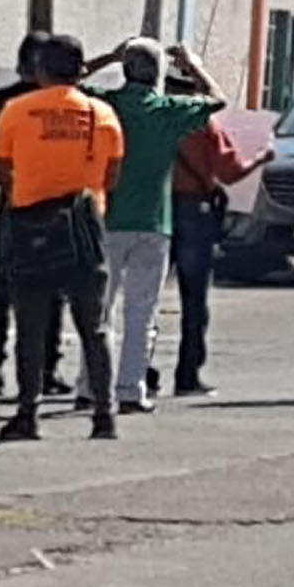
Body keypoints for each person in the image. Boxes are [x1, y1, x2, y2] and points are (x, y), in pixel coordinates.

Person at [0, 34, 125, 443]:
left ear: (40, 70)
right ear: (82, 69)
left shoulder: (17, 111)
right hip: (84, 228)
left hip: (29, 225)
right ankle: (104, 414)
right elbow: (112, 177)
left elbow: (0, 170)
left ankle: (28, 412)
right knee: (93, 327)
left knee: (31, 326)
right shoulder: (102, 116)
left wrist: (27, 191)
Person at [80, 39, 223, 414]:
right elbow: (215, 99)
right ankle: (130, 387)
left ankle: (89, 384)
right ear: (159, 74)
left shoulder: (105, 103)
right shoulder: (167, 111)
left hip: (107, 217)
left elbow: (71, 82)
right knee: (141, 311)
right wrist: (192, 65)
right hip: (154, 220)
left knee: (99, 308)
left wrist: (109, 56)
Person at [0, 32, 69, 398]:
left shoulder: (5, 100)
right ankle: (49, 368)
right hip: (53, 204)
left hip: (11, 203)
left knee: (2, 287)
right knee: (53, 289)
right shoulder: (58, 101)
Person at [165, 69, 272, 398]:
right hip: (195, 211)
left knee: (142, 296)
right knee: (194, 298)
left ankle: (139, 370)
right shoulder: (204, 125)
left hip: (155, 207)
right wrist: (261, 157)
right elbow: (231, 171)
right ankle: (188, 373)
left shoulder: (151, 120)